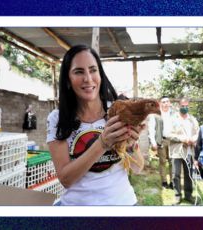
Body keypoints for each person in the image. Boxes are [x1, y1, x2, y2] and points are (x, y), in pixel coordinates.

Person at [46, 45, 144, 205]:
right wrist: (102, 143)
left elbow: (138, 169)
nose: (88, 78)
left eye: (93, 70)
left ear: (100, 75)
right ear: (68, 80)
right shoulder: (57, 118)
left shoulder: (118, 110)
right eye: (79, 72)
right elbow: (66, 179)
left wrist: (132, 146)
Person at [167, 98, 199, 204]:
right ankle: (177, 195)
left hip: (188, 151)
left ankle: (188, 195)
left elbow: (197, 132)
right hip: (176, 151)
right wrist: (182, 139)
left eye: (186, 106)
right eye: (182, 106)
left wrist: (193, 139)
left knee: (188, 174)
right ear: (178, 106)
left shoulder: (192, 119)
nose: (185, 107)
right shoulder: (173, 119)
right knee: (175, 174)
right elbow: (168, 134)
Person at [148, 96, 174, 189]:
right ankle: (164, 182)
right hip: (162, 141)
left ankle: (172, 182)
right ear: (160, 103)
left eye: (167, 101)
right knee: (162, 162)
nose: (166, 103)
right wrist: (153, 142)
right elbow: (151, 129)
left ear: (170, 103)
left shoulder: (174, 114)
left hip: (173, 141)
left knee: (173, 162)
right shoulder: (156, 115)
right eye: (163, 102)